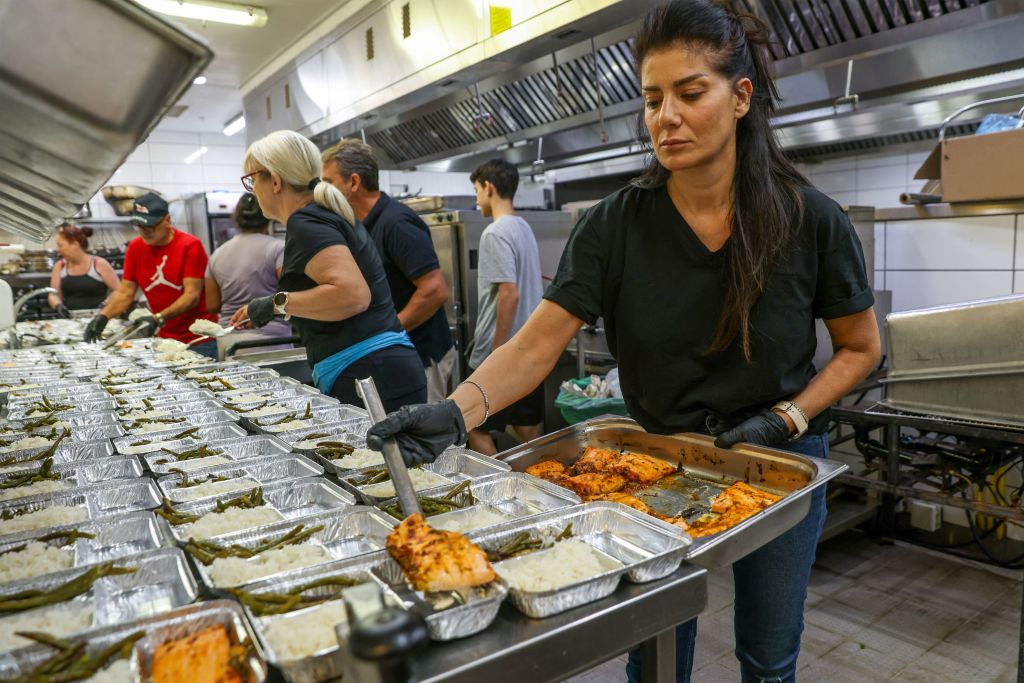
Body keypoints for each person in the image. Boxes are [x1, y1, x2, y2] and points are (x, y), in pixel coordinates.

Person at [365, 1, 882, 681]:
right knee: (656, 651)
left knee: (769, 654)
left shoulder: (810, 219)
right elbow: (539, 342)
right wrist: (459, 410)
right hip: (658, 460)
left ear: (740, 98)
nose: (666, 116)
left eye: (690, 93)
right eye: (652, 98)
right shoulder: (615, 225)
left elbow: (860, 347)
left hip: (777, 461)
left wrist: (789, 416)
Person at [229, 130, 427, 412]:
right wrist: (268, 308)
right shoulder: (322, 213)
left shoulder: (306, 222)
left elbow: (353, 295)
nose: (252, 190)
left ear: (274, 180)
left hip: (372, 377)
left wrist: (276, 304)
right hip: (381, 372)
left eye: (251, 180)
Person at [321, 139, 455, 401]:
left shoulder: (396, 222)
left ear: (354, 183)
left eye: (329, 182)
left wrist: (386, 333)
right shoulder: (360, 226)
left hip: (422, 355)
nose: (323, 191)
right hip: (395, 355)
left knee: (425, 438)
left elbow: (435, 290)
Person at [465, 159, 544, 455]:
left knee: (472, 425)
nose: (476, 199)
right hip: (528, 348)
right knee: (529, 430)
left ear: (489, 187)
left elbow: (509, 295)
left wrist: (497, 354)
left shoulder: (495, 232)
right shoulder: (523, 227)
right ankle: (544, 487)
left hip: (497, 352)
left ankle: (504, 489)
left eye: (476, 190)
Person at [83, 192, 219, 358]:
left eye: (150, 226)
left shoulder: (190, 246)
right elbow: (125, 293)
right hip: (164, 339)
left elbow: (192, 295)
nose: (144, 232)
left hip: (198, 339)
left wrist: (158, 318)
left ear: (167, 220)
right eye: (139, 226)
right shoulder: (135, 248)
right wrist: (104, 316)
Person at [205, 193, 292, 358]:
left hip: (229, 343)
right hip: (271, 343)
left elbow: (212, 304)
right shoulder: (278, 248)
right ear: (268, 216)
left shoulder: (217, 254)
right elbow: (291, 294)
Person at [48, 223, 120, 314]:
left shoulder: (99, 264)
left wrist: (105, 304)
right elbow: (53, 294)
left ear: (75, 244)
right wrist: (58, 305)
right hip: (70, 320)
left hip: (98, 317)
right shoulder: (60, 266)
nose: (58, 250)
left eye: (60, 245)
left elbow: (118, 291)